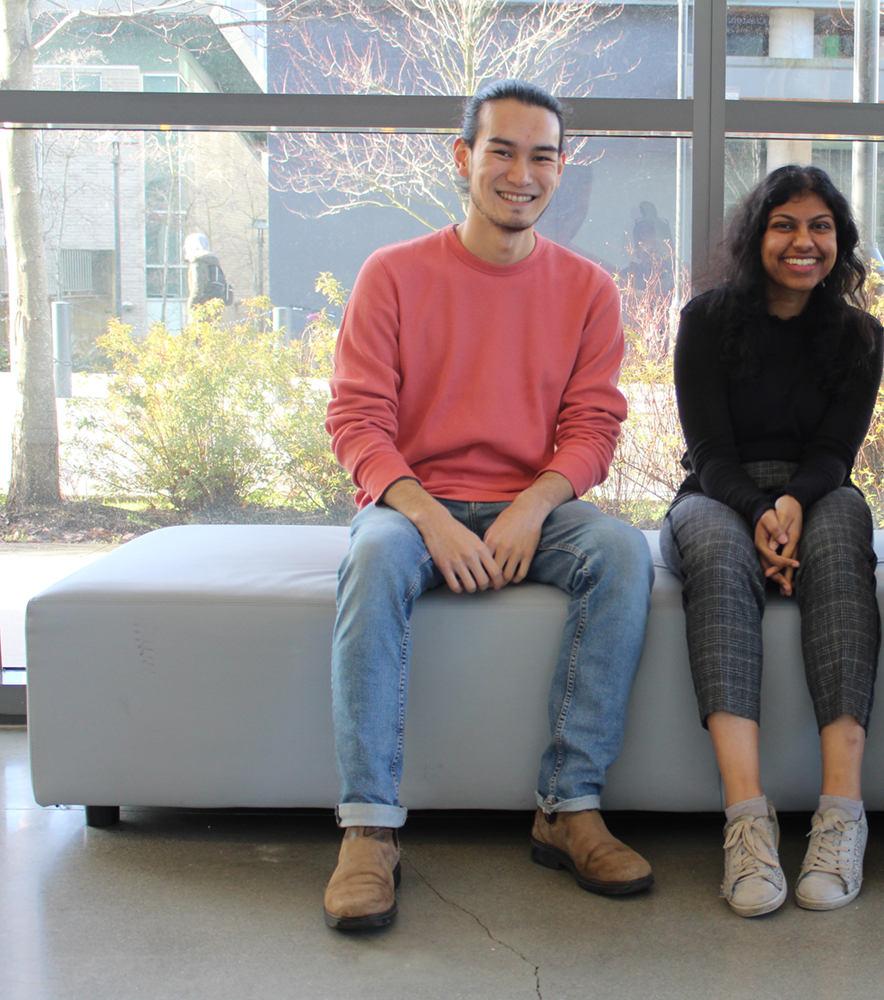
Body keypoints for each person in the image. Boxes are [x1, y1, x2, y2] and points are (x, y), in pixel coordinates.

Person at [321, 79, 656, 931]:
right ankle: (368, 829)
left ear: (560, 169)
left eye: (541, 155)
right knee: (370, 555)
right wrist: (427, 514)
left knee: (620, 553)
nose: (521, 172)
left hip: (526, 508)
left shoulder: (588, 290)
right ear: (464, 159)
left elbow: (593, 428)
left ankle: (569, 805)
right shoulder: (392, 275)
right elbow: (357, 421)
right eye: (501, 151)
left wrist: (534, 506)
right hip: (411, 506)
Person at [660, 165, 884, 917]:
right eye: (784, 224)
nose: (802, 241)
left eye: (820, 226)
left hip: (814, 492)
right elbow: (711, 454)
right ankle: (747, 825)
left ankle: (840, 819)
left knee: (844, 528)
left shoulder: (859, 334)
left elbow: (835, 456)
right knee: (720, 555)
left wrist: (791, 503)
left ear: (839, 241)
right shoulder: (708, 319)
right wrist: (759, 510)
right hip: (718, 496)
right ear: (757, 234)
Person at [184, 233, 234, 307]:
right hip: (214, 307)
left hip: (201, 308)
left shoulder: (197, 263)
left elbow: (198, 289)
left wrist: (190, 306)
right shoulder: (213, 262)